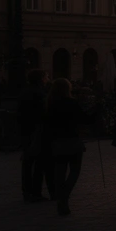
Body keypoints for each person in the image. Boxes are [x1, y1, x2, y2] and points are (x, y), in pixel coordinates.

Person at [42, 79, 97, 216]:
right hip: (72, 140)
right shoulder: (71, 103)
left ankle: (60, 196)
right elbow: (85, 119)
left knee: (59, 172)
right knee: (74, 171)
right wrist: (97, 110)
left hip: (57, 141)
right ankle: (64, 196)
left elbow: (46, 124)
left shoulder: (50, 104)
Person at [18, 69, 50, 202]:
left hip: (26, 130)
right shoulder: (39, 93)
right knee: (39, 163)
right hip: (37, 131)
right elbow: (44, 113)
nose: (47, 79)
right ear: (41, 78)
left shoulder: (25, 91)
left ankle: (27, 192)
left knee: (27, 163)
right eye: (46, 77)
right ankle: (36, 192)